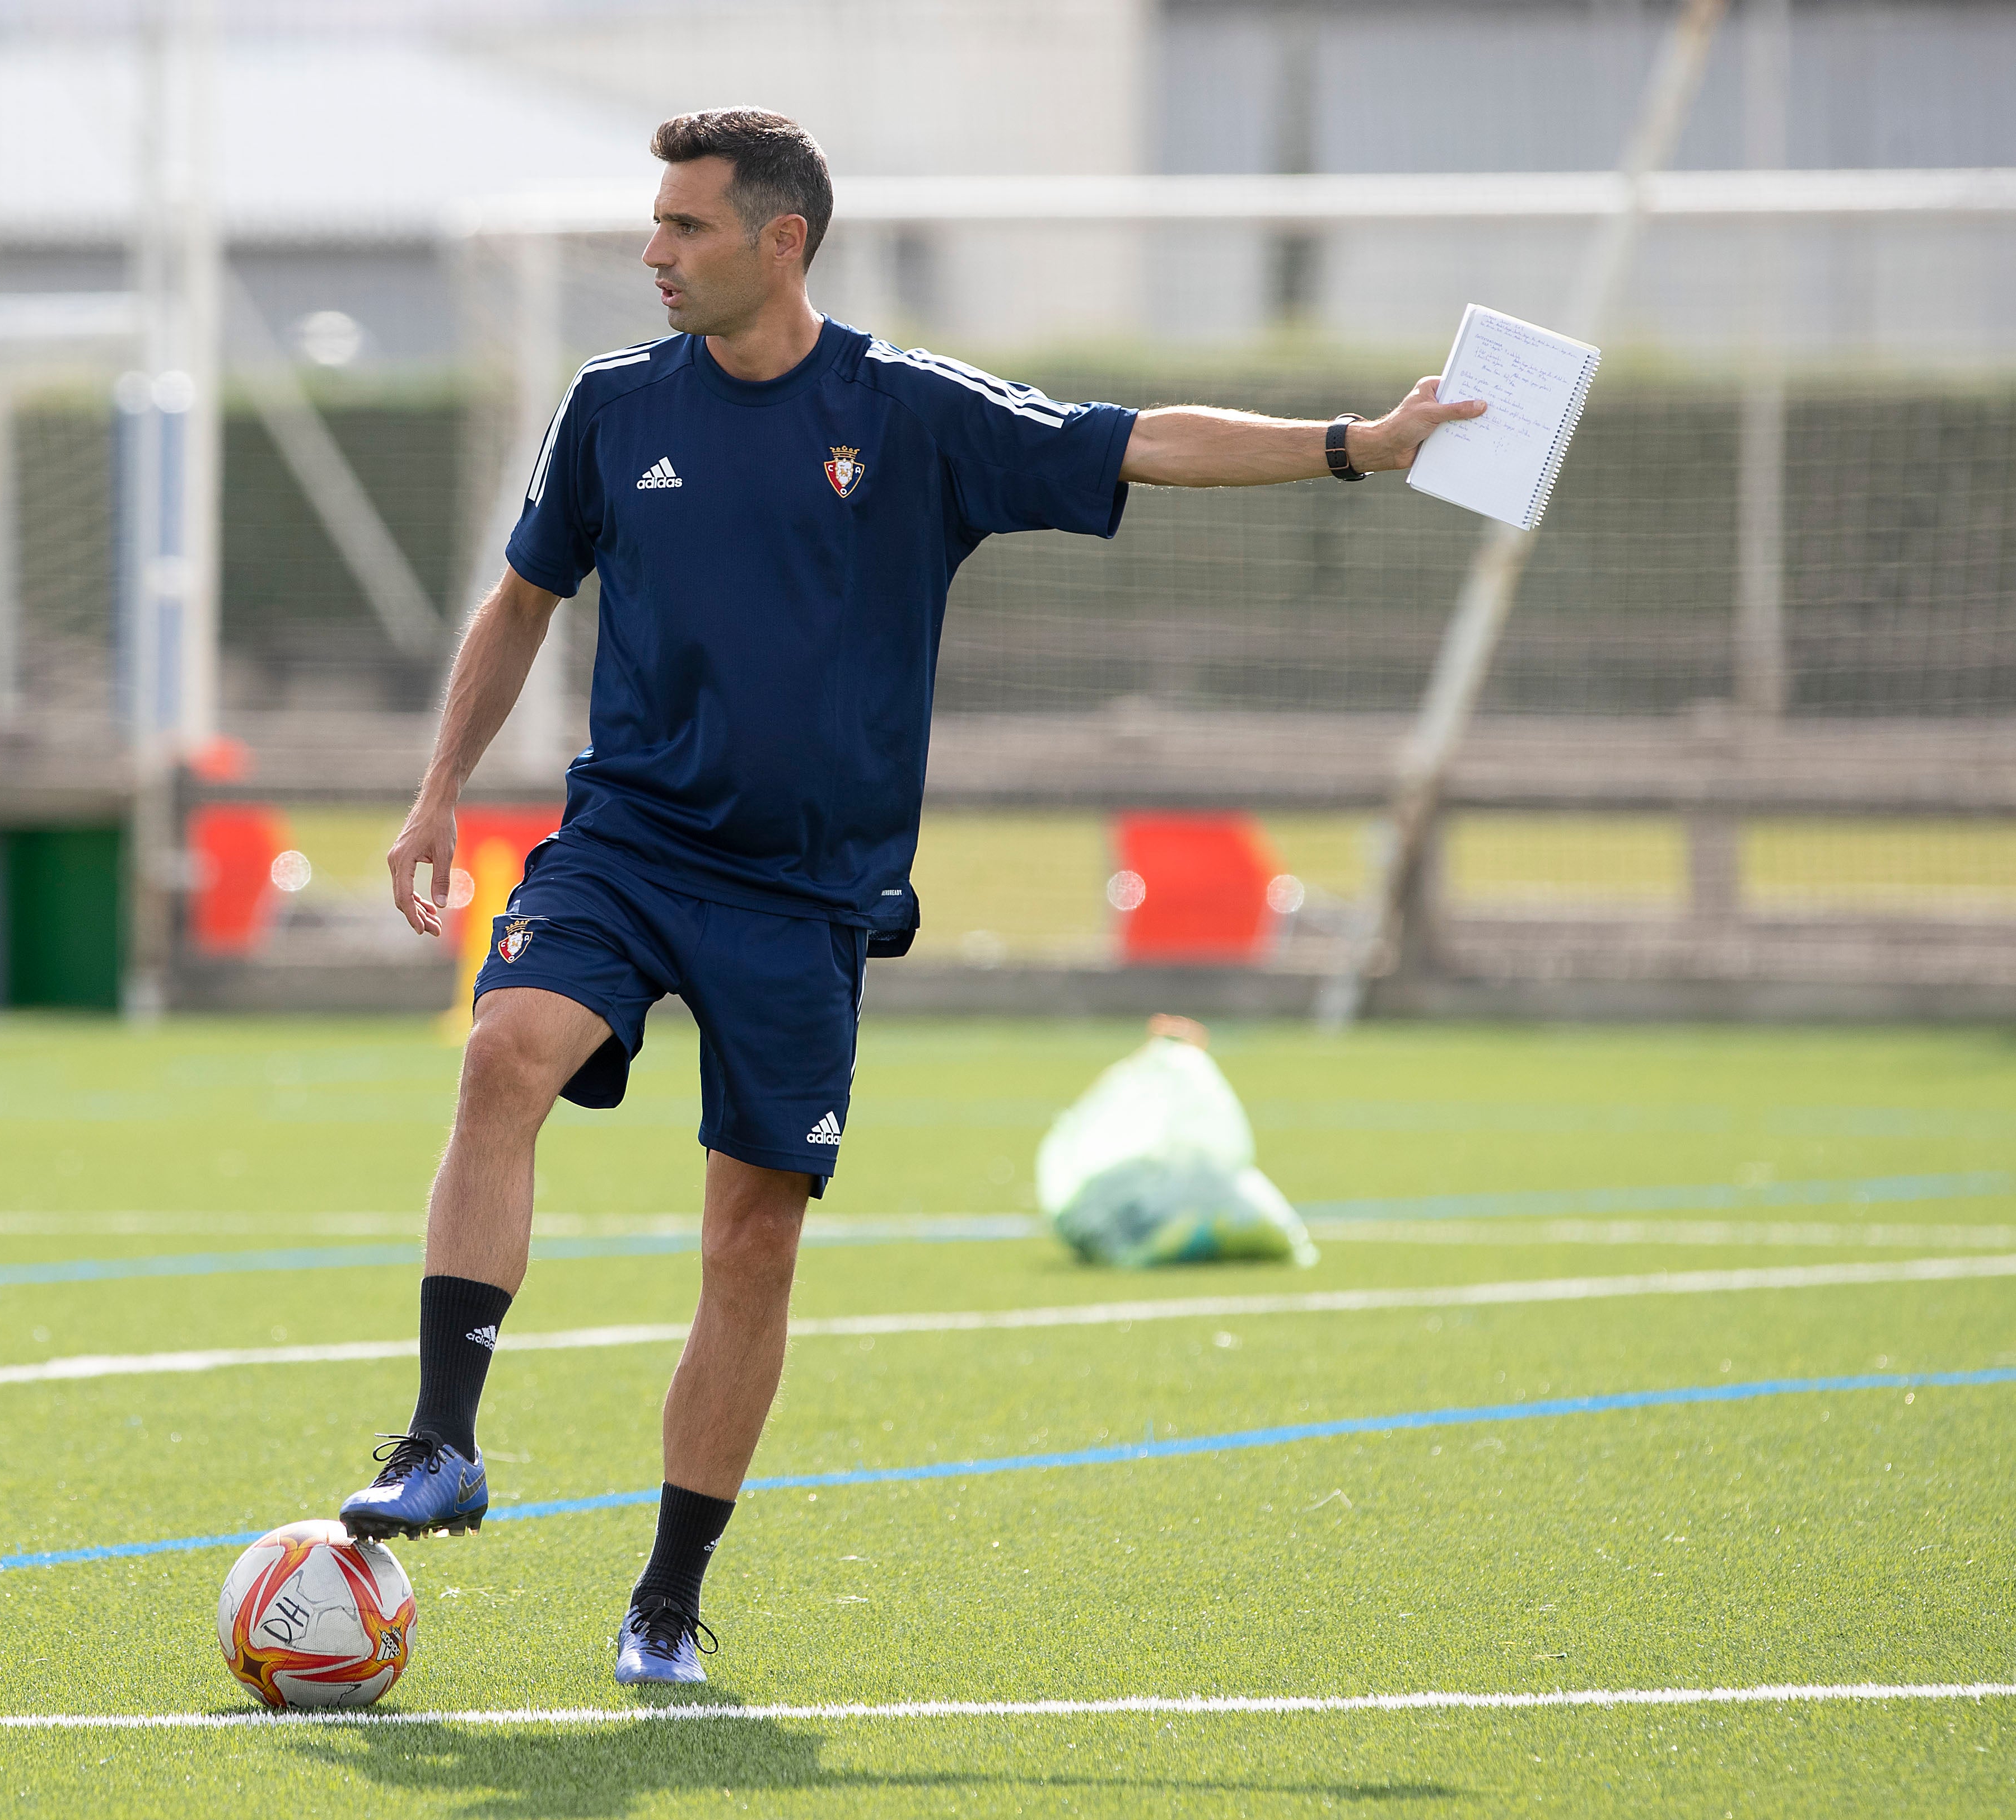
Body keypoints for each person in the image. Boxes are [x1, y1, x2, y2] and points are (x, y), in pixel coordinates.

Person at [337, 107, 1483, 1686]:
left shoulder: (910, 411)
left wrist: (1357, 443)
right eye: (653, 222)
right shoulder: (610, 409)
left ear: (778, 241)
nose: (651, 251)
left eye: (684, 227)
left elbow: (1139, 438)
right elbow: (525, 594)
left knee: (750, 1241)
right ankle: (440, 1438)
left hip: (806, 896)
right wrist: (435, 790)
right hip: (629, 843)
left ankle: (666, 1596)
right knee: (500, 1049)